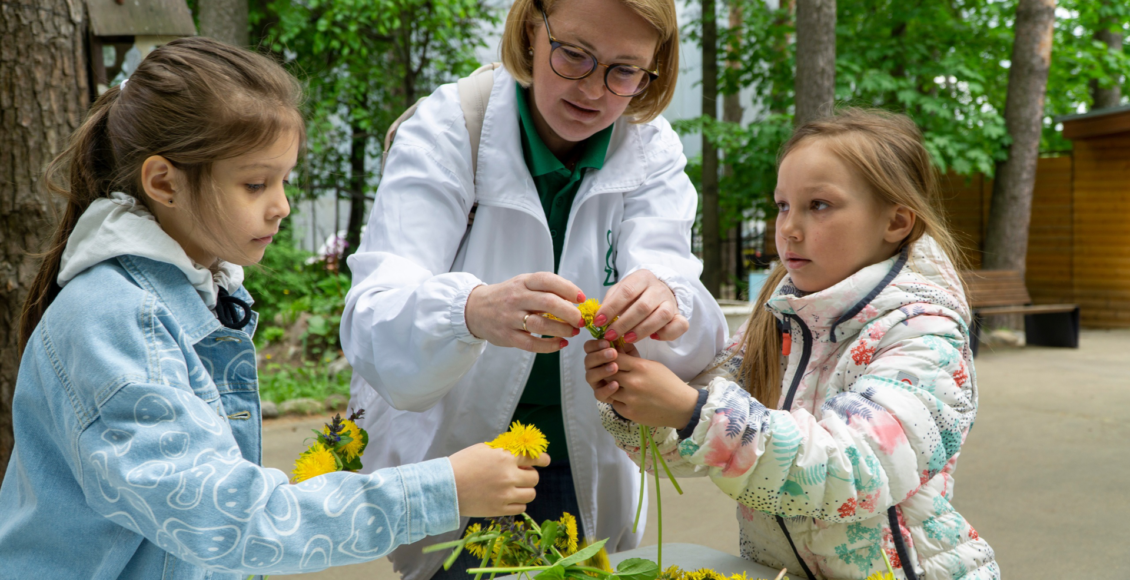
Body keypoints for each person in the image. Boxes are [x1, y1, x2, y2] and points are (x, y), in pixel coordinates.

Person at [0, 37, 548, 580]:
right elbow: (228, 519)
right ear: (164, 182)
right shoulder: (118, 321)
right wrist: (441, 490)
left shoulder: (188, 294)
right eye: (256, 183)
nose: (281, 206)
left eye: (284, 180)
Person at [340, 0, 728, 577]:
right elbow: (373, 317)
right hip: (464, 460)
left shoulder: (650, 147)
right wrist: (471, 311)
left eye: (623, 70)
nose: (593, 91)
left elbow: (682, 308)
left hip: (585, 462)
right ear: (529, 28)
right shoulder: (450, 128)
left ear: (654, 68)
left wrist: (664, 301)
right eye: (574, 54)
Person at [585, 109, 1000, 579]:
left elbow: (851, 473)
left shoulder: (925, 335)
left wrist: (691, 410)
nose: (789, 228)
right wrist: (636, 403)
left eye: (818, 205)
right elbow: (696, 448)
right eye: (783, 205)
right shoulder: (781, 319)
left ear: (896, 222)